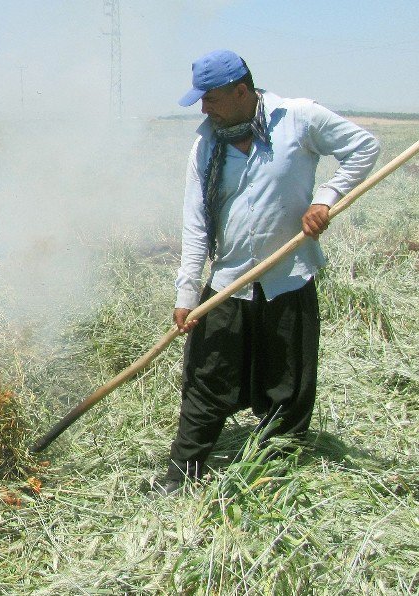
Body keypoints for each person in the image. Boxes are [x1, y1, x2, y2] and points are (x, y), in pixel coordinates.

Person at [161, 50, 380, 493]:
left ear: (241, 91)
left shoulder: (298, 119)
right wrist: (187, 294)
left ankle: (271, 479)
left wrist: (327, 197)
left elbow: (364, 147)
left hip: (289, 278)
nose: (204, 109)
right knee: (206, 380)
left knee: (287, 386)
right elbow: (196, 224)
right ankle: (181, 476)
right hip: (228, 284)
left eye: (211, 98)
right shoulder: (206, 146)